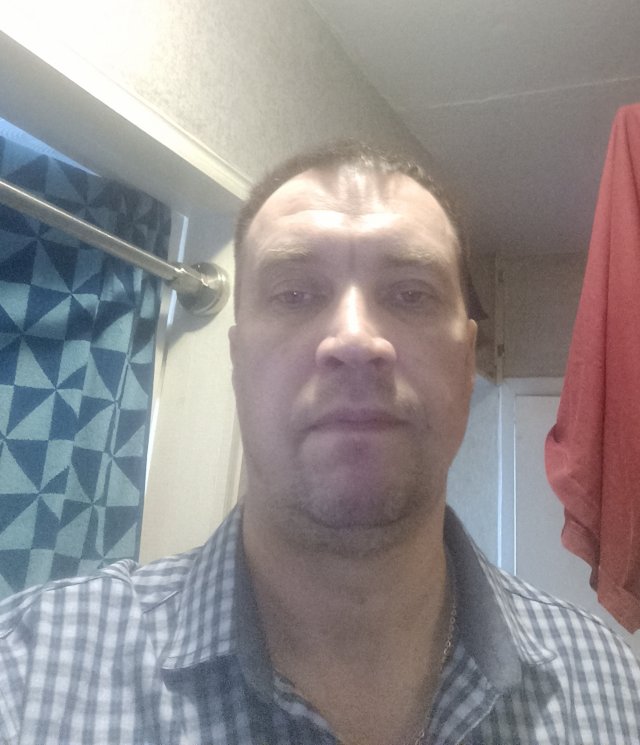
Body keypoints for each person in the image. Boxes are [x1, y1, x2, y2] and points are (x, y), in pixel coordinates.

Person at [0, 141, 638, 745]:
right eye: (294, 293)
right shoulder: (25, 676)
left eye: (410, 294)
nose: (356, 340)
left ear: (466, 361)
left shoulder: (614, 690)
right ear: (237, 361)